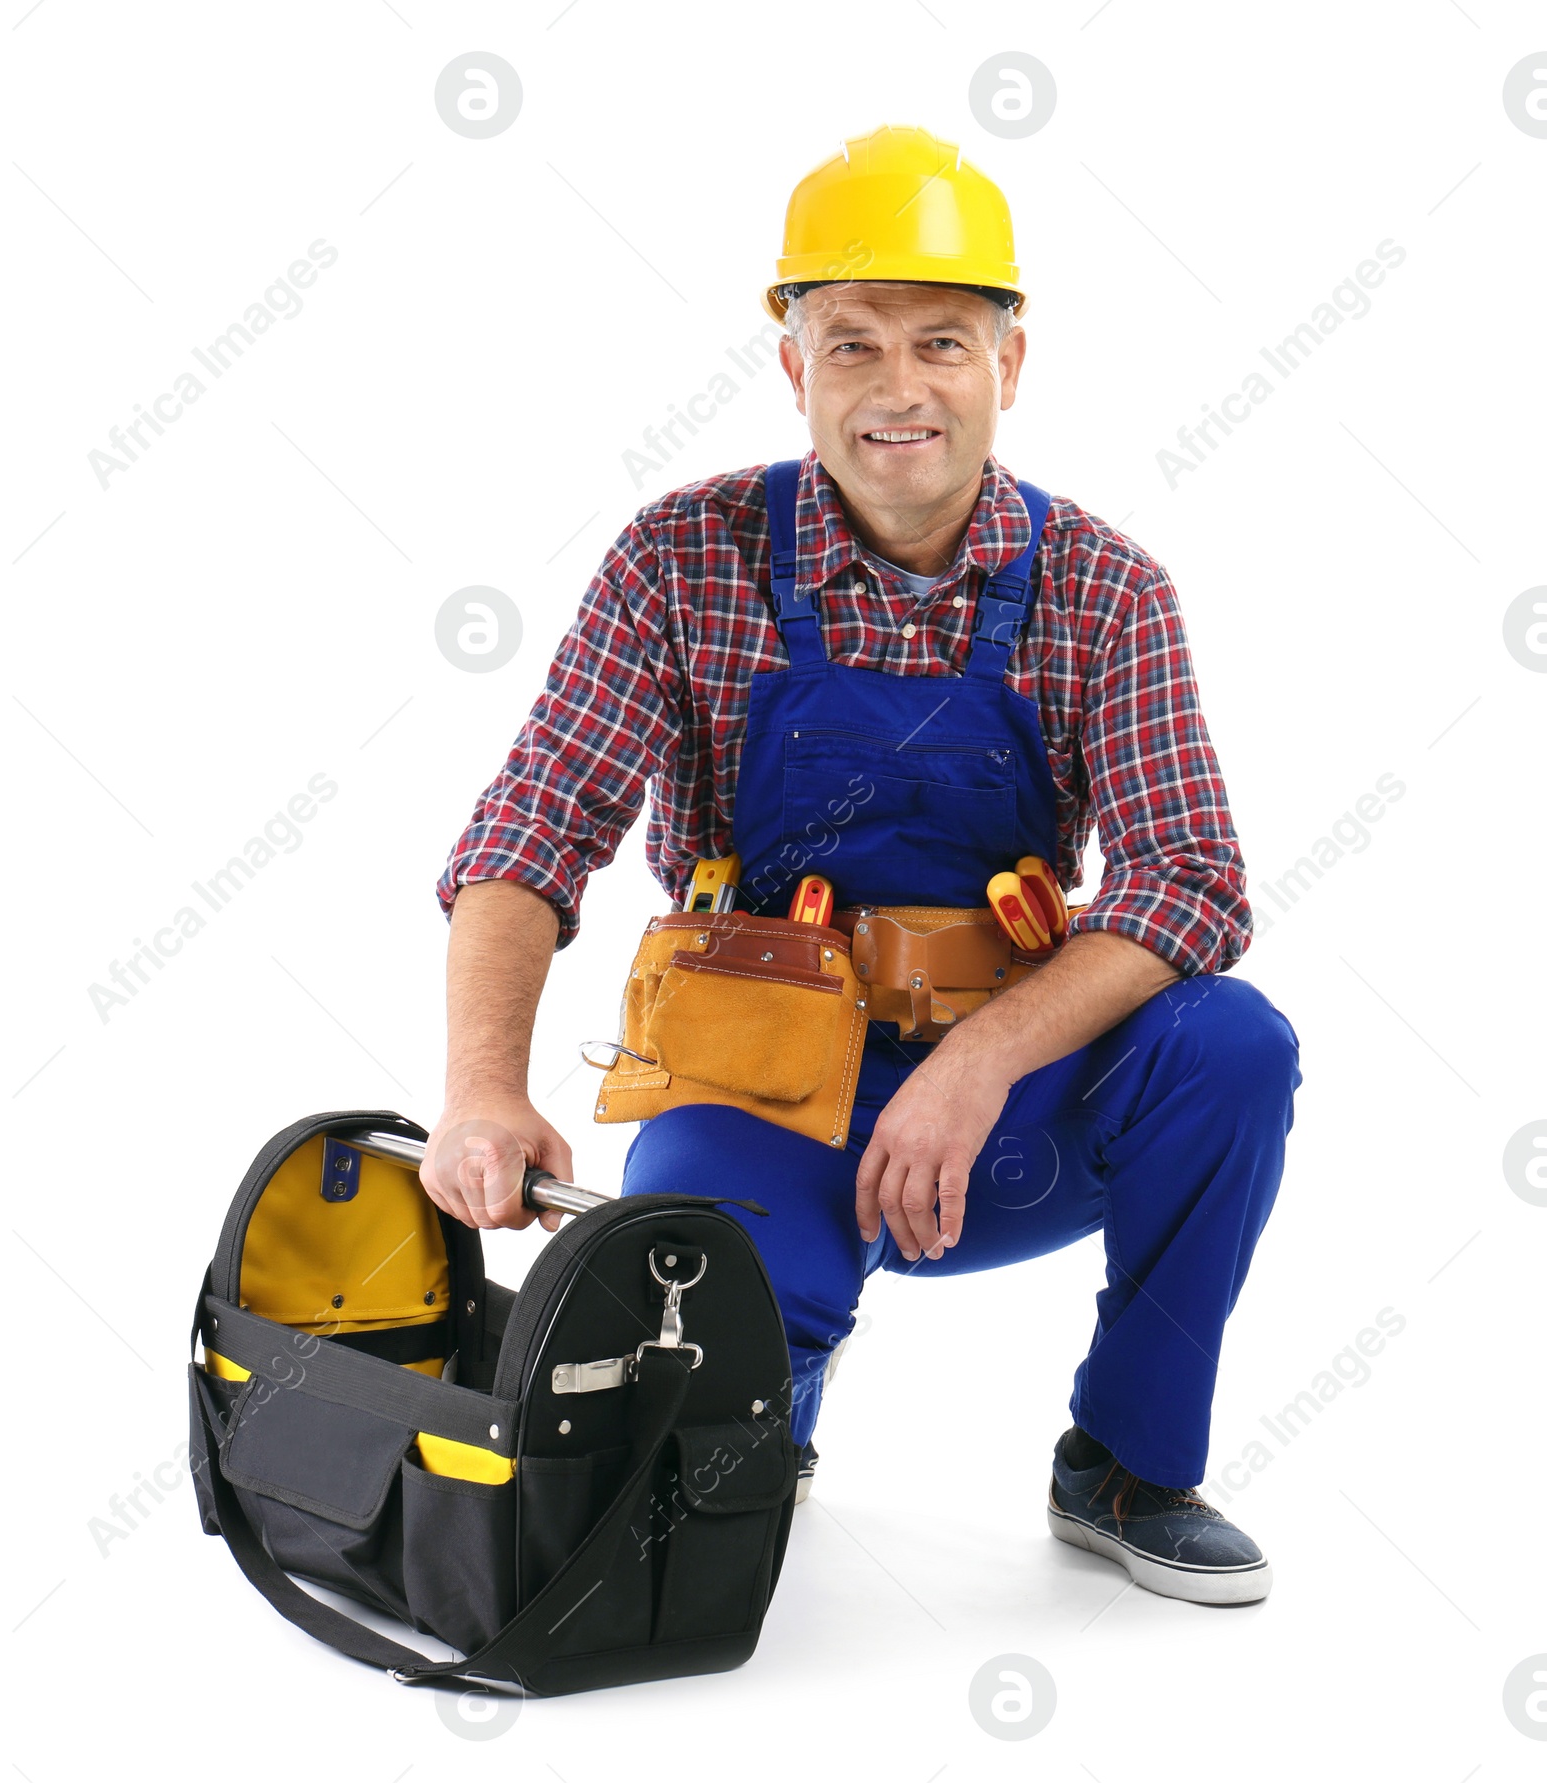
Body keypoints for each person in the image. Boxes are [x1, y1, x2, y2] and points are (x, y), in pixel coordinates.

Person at [422, 125, 1302, 1606]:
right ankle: (769, 1406)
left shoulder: (1108, 592)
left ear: (1011, 364)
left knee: (1232, 1047)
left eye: (944, 342)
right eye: (854, 344)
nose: (900, 388)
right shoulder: (678, 559)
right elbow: (528, 831)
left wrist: (976, 1065)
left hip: (1010, 1117)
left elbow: (1190, 882)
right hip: (765, 1087)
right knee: (715, 1396)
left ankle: (1130, 1464)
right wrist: (483, 1089)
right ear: (792, 364)